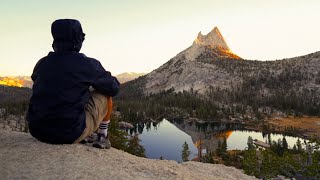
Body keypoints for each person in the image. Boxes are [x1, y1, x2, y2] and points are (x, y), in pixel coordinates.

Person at [26, 19, 120, 149]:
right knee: (105, 94)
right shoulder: (87, 64)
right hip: (70, 133)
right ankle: (102, 136)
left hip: (37, 131)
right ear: (77, 39)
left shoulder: (42, 63)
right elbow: (113, 88)